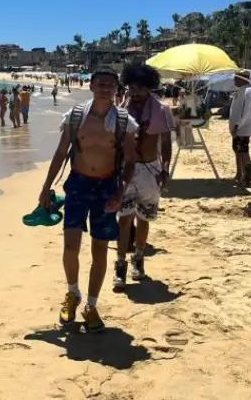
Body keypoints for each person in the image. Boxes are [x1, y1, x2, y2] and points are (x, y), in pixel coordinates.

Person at [37, 68, 138, 332]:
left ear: (116, 89)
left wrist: (120, 192)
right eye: (101, 84)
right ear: (91, 86)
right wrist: (46, 187)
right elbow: (61, 153)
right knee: (70, 245)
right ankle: (73, 294)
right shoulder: (75, 117)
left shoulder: (124, 122)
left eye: (110, 85)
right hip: (78, 185)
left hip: (107, 187)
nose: (105, 89)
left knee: (100, 250)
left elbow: (130, 161)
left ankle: (91, 305)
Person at [114, 64, 173, 290]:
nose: (135, 92)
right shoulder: (121, 109)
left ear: (149, 88)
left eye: (140, 88)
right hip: (125, 170)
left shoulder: (161, 110)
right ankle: (120, 266)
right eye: (131, 87)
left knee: (144, 218)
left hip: (150, 170)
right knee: (124, 218)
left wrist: (165, 168)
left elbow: (166, 143)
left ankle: (138, 261)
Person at [229, 70, 251, 185]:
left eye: (236, 78)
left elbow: (246, 111)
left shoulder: (249, 91)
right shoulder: (240, 91)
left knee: (244, 152)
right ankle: (239, 173)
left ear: (242, 79)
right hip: (237, 128)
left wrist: (238, 125)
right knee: (237, 151)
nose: (234, 80)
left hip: (243, 128)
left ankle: (248, 176)